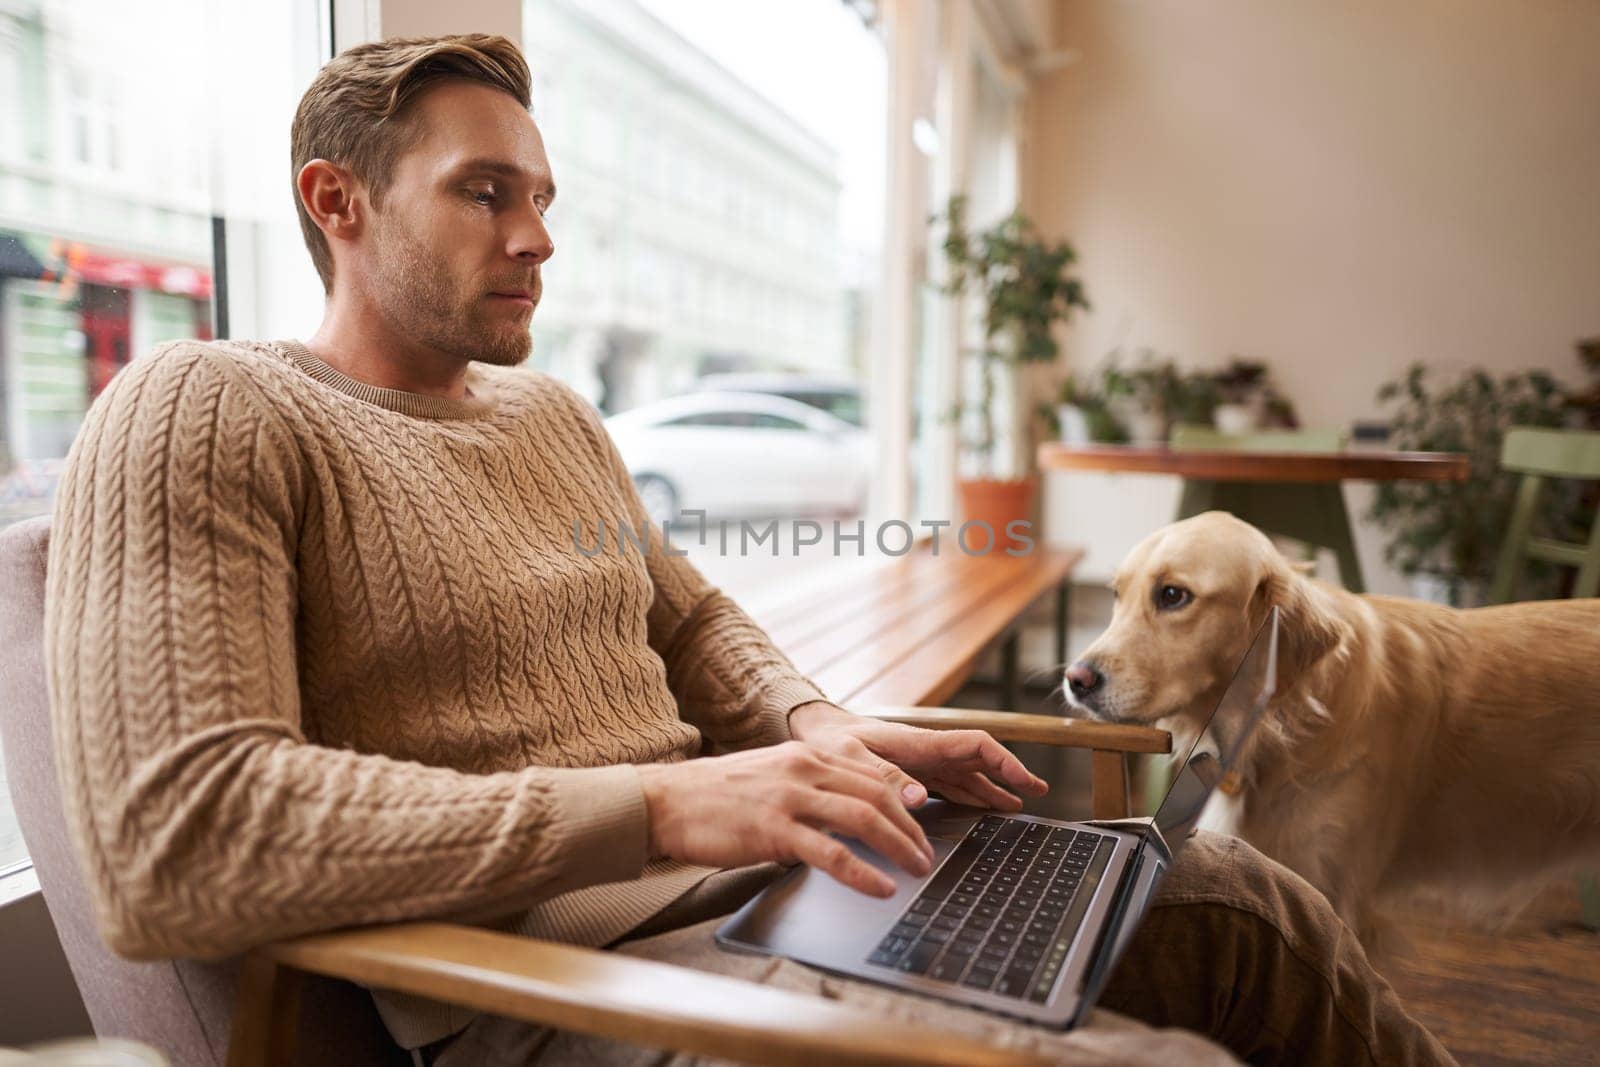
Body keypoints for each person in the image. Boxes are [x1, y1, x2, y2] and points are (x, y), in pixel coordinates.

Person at [44, 33, 1453, 1067]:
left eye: (544, 199)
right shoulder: (206, 403)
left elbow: (698, 626)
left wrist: (828, 731)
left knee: (1234, 897)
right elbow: (182, 841)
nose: (539, 238)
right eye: (487, 194)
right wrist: (666, 808)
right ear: (336, 204)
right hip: (553, 975)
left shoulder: (550, 415)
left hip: (778, 893)